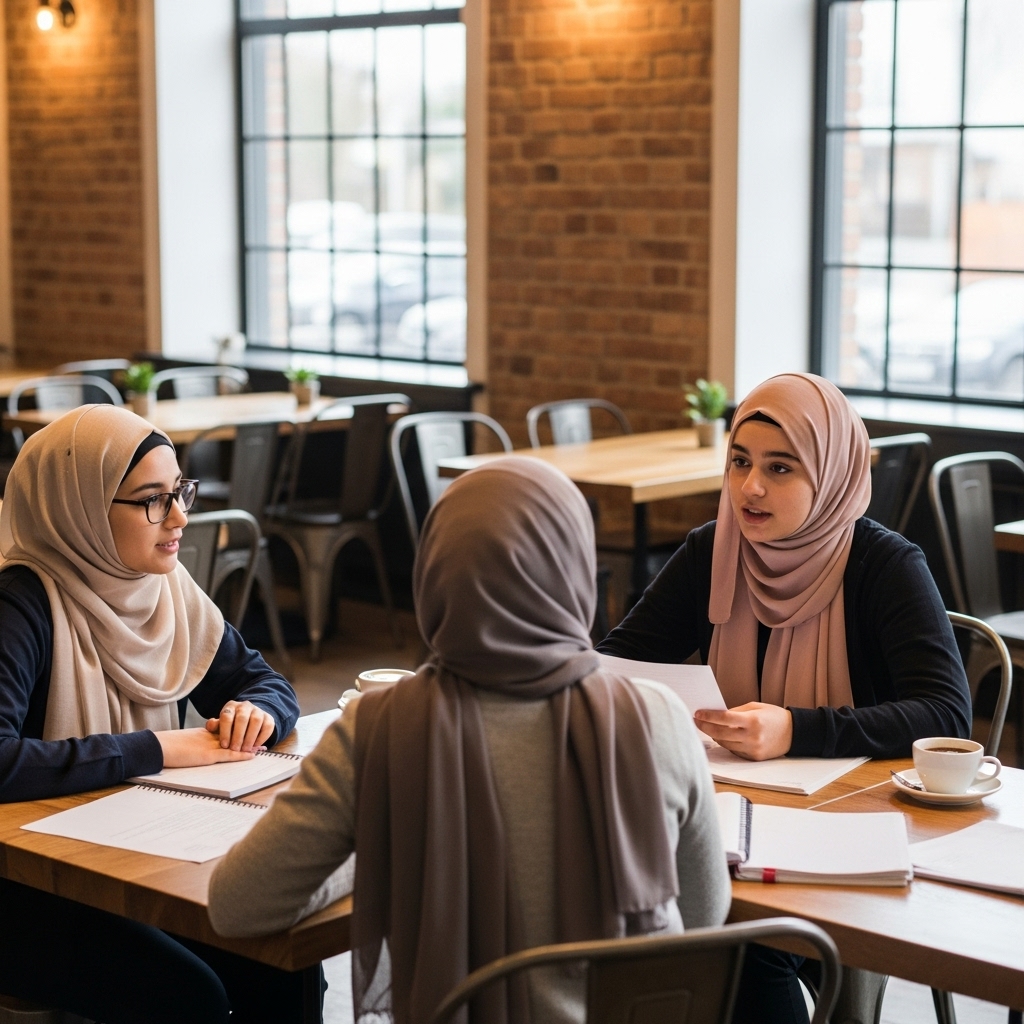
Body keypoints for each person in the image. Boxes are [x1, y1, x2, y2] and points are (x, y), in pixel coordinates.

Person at [209, 457, 731, 1024]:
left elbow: (238, 906)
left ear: (432, 576)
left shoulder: (379, 729)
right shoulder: (657, 719)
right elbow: (705, 916)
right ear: (576, 572)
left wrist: (384, 844)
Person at [598, 372, 972, 1024]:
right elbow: (616, 666)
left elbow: (945, 714)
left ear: (830, 473)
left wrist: (796, 730)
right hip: (733, 824)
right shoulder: (713, 551)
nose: (751, 487)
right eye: (740, 462)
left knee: (744, 944)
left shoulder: (885, 566)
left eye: (780, 467)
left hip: (856, 835)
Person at [0, 404, 303, 1024]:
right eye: (152, 501)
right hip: (27, 887)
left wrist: (258, 713)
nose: (180, 518)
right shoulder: (19, 603)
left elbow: (265, 682)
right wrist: (160, 747)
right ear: (77, 506)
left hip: (130, 852)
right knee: (187, 996)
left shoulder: (162, 585)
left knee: (283, 959)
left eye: (179, 492)